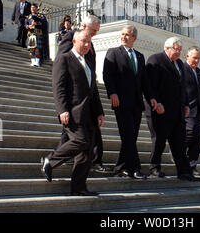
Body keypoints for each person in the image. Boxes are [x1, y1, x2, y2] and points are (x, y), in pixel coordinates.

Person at [41, 30, 104, 196]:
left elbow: (94, 89)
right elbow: (58, 87)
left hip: (89, 113)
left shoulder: (88, 61)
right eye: (83, 41)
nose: (86, 45)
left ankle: (79, 188)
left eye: (89, 43)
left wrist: (99, 112)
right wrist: (62, 110)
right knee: (81, 141)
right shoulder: (64, 58)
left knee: (87, 152)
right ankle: (50, 160)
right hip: (73, 112)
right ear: (74, 41)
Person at [103, 25, 157, 180]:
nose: (124, 37)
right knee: (127, 135)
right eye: (122, 34)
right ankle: (135, 168)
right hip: (120, 101)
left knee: (131, 137)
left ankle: (121, 167)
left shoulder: (140, 56)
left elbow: (144, 81)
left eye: (127, 35)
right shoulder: (113, 52)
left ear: (134, 38)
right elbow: (107, 75)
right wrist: (112, 93)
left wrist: (151, 97)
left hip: (136, 103)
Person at [55, 15, 107, 173]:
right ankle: (54, 159)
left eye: (96, 32)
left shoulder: (89, 44)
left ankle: (89, 161)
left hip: (88, 96)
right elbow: (62, 63)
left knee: (82, 134)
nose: (94, 35)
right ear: (83, 25)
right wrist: (63, 107)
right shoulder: (72, 37)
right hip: (75, 98)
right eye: (93, 31)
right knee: (80, 136)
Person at [145, 37, 200, 182]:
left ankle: (184, 171)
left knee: (179, 143)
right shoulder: (155, 60)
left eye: (180, 50)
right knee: (159, 140)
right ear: (167, 48)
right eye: (177, 50)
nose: (179, 53)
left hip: (177, 111)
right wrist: (157, 102)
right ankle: (154, 168)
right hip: (160, 110)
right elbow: (149, 85)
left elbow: (183, 87)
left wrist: (186, 104)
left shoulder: (180, 64)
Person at [184, 47, 200, 178]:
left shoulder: (199, 72)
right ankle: (181, 160)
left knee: (198, 140)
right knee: (189, 134)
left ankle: (192, 166)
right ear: (187, 56)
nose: (196, 60)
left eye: (198, 58)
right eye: (194, 57)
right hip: (187, 109)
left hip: (198, 110)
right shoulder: (182, 69)